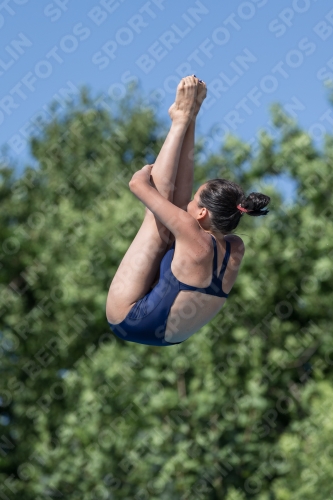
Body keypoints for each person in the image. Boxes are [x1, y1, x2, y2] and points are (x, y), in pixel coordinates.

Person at [106, 75, 270, 346]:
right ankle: (186, 117)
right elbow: (168, 204)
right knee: (172, 218)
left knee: (158, 224)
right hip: (169, 335)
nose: (189, 203)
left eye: (195, 200)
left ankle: (182, 119)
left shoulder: (223, 244)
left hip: (128, 319)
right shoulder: (230, 247)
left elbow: (138, 184)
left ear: (204, 213)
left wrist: (149, 169)